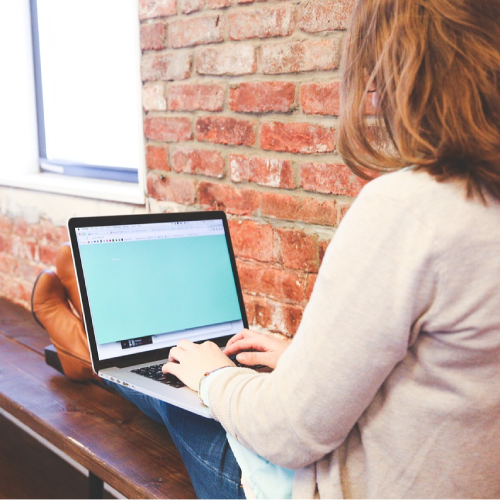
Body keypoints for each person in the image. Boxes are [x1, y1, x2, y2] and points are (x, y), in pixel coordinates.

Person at [32, 0, 500, 498]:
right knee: (184, 366)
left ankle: (87, 353)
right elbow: (438, 374)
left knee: (178, 385)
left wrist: (214, 377)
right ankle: (96, 355)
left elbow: (289, 435)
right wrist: (304, 361)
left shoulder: (408, 207)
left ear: (394, 69)